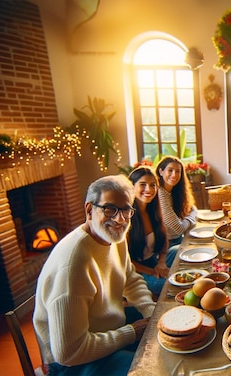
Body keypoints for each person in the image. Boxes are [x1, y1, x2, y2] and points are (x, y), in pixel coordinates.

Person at [33, 175, 155, 376]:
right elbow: (68, 353)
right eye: (109, 209)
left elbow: (131, 280)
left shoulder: (115, 237)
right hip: (72, 363)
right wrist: (131, 333)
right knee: (152, 369)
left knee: (167, 333)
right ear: (89, 210)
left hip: (108, 330)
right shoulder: (73, 265)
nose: (120, 219)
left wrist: (151, 312)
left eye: (126, 210)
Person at [127, 166, 169, 298]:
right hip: (136, 271)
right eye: (143, 185)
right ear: (132, 187)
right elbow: (125, 261)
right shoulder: (126, 217)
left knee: (178, 251)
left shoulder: (154, 210)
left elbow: (164, 241)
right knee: (167, 285)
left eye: (153, 185)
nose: (149, 190)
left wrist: (161, 263)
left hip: (153, 261)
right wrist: (152, 272)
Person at [155, 156, 198, 267]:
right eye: (170, 170)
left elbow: (192, 208)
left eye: (178, 171)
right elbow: (179, 229)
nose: (174, 175)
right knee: (195, 251)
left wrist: (190, 216)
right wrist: (190, 218)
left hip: (178, 240)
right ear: (161, 171)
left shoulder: (174, 192)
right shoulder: (160, 194)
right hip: (166, 249)